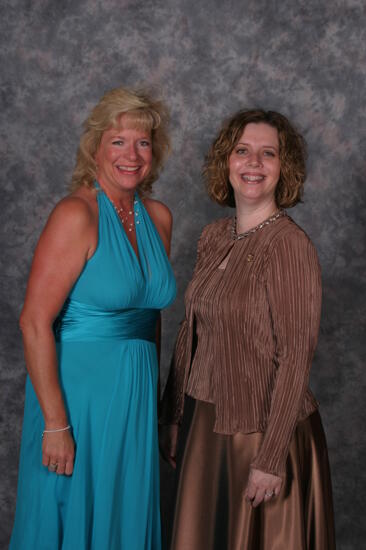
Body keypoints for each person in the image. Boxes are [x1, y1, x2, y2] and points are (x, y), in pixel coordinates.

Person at [160, 109, 335, 549]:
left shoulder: (290, 247)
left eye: (267, 153)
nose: (253, 163)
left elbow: (295, 356)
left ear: (284, 168)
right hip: (205, 425)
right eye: (243, 151)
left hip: (262, 434)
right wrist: (174, 415)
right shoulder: (214, 236)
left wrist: (271, 459)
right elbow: (190, 332)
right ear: (226, 161)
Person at [10, 86, 176, 550]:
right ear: (96, 147)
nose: (132, 153)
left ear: (154, 152)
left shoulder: (159, 217)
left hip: (135, 398)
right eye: (118, 140)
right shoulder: (75, 214)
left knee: (123, 516)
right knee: (74, 513)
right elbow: (33, 323)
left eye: (143, 142)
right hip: (77, 401)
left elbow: (149, 318)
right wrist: (56, 423)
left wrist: (159, 409)